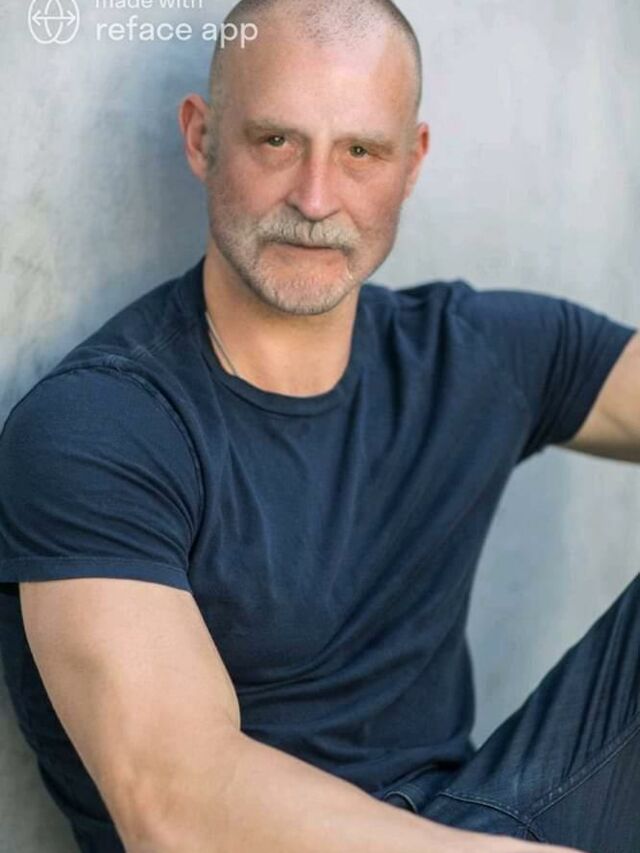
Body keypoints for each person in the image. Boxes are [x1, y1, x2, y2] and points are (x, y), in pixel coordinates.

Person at [0, 0, 638, 851]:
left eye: (360, 152)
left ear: (412, 162)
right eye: (276, 141)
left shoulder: (475, 354)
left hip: (479, 821)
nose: (315, 197)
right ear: (200, 138)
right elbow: (177, 805)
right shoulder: (99, 426)